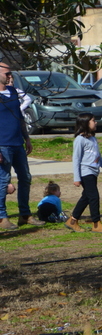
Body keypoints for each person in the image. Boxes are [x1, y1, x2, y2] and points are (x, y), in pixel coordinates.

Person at [65, 113, 102, 233]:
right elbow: (76, 159)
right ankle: (96, 224)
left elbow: (98, 157)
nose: (95, 122)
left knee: (86, 197)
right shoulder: (79, 140)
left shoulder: (93, 139)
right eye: (93, 120)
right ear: (85, 123)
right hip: (86, 172)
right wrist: (76, 177)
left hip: (94, 172)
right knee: (94, 196)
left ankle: (72, 221)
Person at [0, 62, 33, 231]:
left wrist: (26, 138)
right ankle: (2, 217)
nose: (10, 76)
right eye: (7, 73)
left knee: (26, 177)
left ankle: (25, 215)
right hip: (3, 145)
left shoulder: (13, 92)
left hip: (17, 143)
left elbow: (19, 117)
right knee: (3, 180)